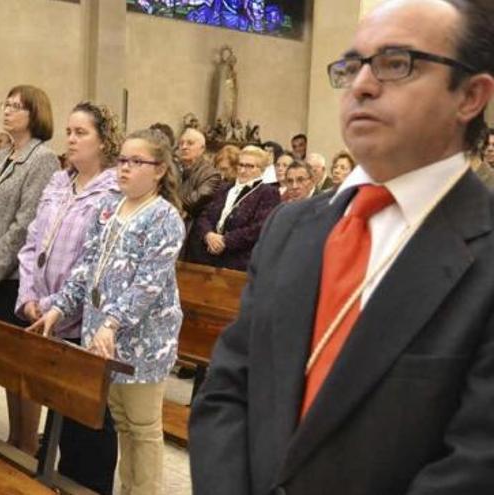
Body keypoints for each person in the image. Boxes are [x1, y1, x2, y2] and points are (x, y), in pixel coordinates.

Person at [189, 1, 494, 494]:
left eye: (398, 64)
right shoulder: (290, 226)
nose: (362, 85)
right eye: (352, 66)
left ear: (470, 96)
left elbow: (477, 464)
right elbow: (228, 387)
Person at [31, 128, 184, 495]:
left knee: (142, 426)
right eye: (122, 161)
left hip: (143, 340)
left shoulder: (164, 218)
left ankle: (142, 490)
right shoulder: (109, 207)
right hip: (100, 336)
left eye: (136, 162)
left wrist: (113, 322)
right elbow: (86, 266)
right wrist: (60, 307)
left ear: (159, 170)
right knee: (121, 421)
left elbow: (149, 283)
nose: (125, 168)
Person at [17, 101, 121, 494]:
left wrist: (51, 306)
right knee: (58, 413)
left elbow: (94, 264)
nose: (72, 139)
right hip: (43, 314)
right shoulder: (59, 182)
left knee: (86, 427)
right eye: (69, 132)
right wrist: (28, 295)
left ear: (103, 140)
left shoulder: (111, 191)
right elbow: (31, 244)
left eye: (82, 133)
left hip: (81, 321)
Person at [0, 84, 59, 449]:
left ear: (35, 115)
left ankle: (25, 445)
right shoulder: (0, 156)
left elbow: (26, 224)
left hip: (13, 278)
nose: (7, 110)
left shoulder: (42, 159)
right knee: (2, 366)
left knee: (20, 369)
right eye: (6, 103)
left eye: (17, 106)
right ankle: (13, 441)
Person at [185, 145, 280, 270]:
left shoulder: (268, 192)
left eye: (249, 166)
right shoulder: (224, 188)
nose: (242, 170)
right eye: (241, 165)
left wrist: (225, 241)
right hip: (207, 256)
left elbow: (259, 228)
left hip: (239, 261)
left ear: (262, 169)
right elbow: (204, 215)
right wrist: (209, 235)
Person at [176, 127, 221, 229]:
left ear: (202, 149)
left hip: (192, 227)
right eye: (181, 143)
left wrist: (167, 205)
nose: (184, 147)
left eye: (190, 143)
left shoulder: (212, 175)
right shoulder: (173, 168)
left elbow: (193, 201)